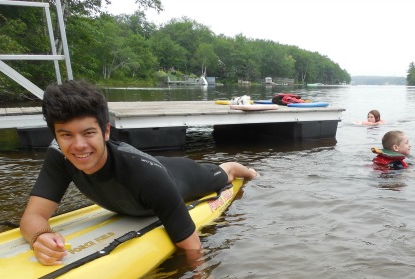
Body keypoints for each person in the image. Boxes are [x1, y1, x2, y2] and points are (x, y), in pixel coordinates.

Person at [20, 79, 258, 266]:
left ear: (105, 131)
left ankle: (239, 167)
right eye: (67, 135)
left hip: (178, 177)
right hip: (151, 171)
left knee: (222, 175)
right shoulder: (59, 156)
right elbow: (33, 216)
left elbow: (192, 246)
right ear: (56, 136)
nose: (79, 145)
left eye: (88, 133)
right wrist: (39, 237)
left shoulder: (147, 175)